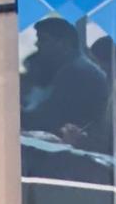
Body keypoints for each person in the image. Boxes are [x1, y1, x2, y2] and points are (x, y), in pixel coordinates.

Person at [21, 16, 108, 148]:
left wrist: (17, 114)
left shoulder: (78, 71)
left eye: (43, 39)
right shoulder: (71, 67)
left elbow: (51, 118)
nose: (37, 44)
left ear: (63, 43)